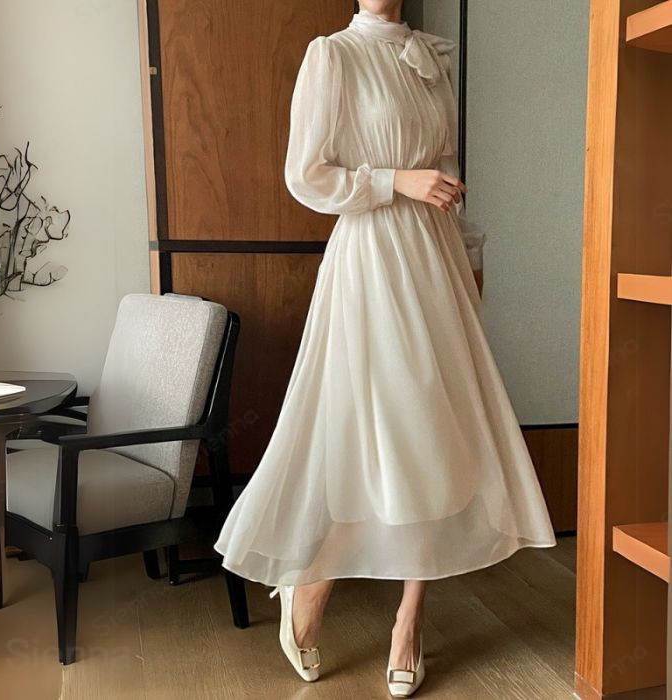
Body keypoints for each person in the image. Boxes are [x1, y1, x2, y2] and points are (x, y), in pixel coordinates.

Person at [215, 2, 555, 696]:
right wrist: (395, 179)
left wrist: (471, 261)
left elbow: (446, 179)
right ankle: (310, 582)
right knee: (363, 430)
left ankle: (409, 619)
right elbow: (306, 173)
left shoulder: (432, 57)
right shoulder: (332, 54)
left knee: (436, 436)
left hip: (437, 261)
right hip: (371, 256)